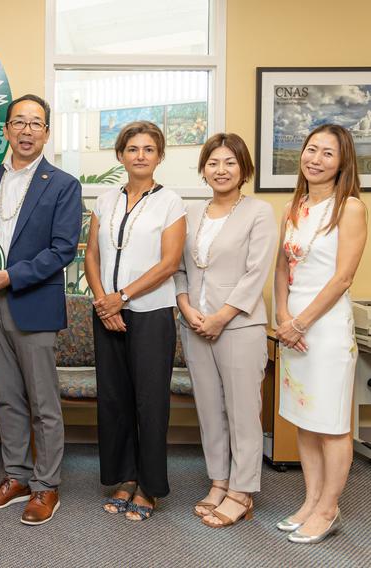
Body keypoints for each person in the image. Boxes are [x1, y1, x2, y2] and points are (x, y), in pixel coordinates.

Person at [0, 94, 83, 526]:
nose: (27, 130)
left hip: (31, 298)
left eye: (36, 123)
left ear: (47, 132)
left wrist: (13, 276)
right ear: (7, 131)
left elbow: (63, 250)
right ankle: (15, 477)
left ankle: (46, 485)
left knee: (43, 401)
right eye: (19, 122)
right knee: (8, 398)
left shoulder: (63, 184)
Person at [84, 120, 186, 521]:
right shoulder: (105, 199)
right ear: (120, 155)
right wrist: (103, 302)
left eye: (148, 149)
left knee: (150, 403)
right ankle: (124, 477)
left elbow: (169, 264)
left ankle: (149, 486)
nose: (140, 156)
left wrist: (121, 298)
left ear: (159, 156)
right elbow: (91, 254)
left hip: (150, 315)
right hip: (105, 314)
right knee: (113, 400)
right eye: (132, 149)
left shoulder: (171, 202)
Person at [174, 133, 276, 527]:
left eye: (230, 163)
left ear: (243, 168)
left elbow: (256, 273)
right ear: (203, 169)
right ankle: (219, 481)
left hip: (239, 327)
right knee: (209, 410)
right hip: (194, 326)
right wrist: (186, 308)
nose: (221, 170)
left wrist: (221, 317)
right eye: (213, 163)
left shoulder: (259, 212)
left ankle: (242, 490)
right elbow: (181, 270)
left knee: (243, 411)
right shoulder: (193, 214)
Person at [273, 123, 366, 544]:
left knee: (331, 423)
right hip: (292, 327)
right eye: (311, 150)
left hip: (324, 329)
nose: (316, 159)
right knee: (304, 421)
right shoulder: (297, 205)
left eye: (328, 153)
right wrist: (281, 317)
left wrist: (301, 322)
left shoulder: (350, 208)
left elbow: (343, 277)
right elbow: (281, 269)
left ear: (343, 161)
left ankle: (329, 510)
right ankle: (310, 502)